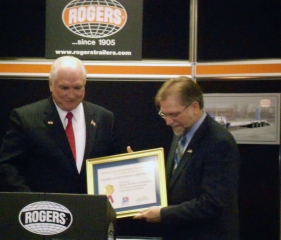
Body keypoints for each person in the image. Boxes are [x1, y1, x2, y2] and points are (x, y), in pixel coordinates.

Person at [134, 76, 240, 239]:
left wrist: (163, 214)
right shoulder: (182, 130)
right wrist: (140, 169)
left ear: (195, 107)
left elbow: (211, 203)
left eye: (173, 114)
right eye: (163, 114)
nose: (168, 121)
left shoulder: (219, 142)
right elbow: (178, 179)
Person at [0, 56, 121, 194]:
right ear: (51, 85)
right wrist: (31, 204)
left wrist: (134, 166)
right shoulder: (26, 118)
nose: (71, 95)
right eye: (64, 88)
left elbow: (114, 167)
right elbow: (8, 167)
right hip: (44, 211)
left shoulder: (103, 118)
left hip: (91, 212)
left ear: (85, 84)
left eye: (77, 87)